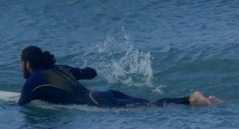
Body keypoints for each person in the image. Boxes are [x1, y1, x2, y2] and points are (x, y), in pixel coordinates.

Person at [17, 46, 220, 108]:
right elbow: (90, 73)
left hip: (97, 102)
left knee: (150, 108)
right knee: (150, 104)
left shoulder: (32, 82)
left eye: (21, 63)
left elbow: (22, 104)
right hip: (103, 93)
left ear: (27, 64)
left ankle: (193, 99)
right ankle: (199, 99)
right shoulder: (61, 68)